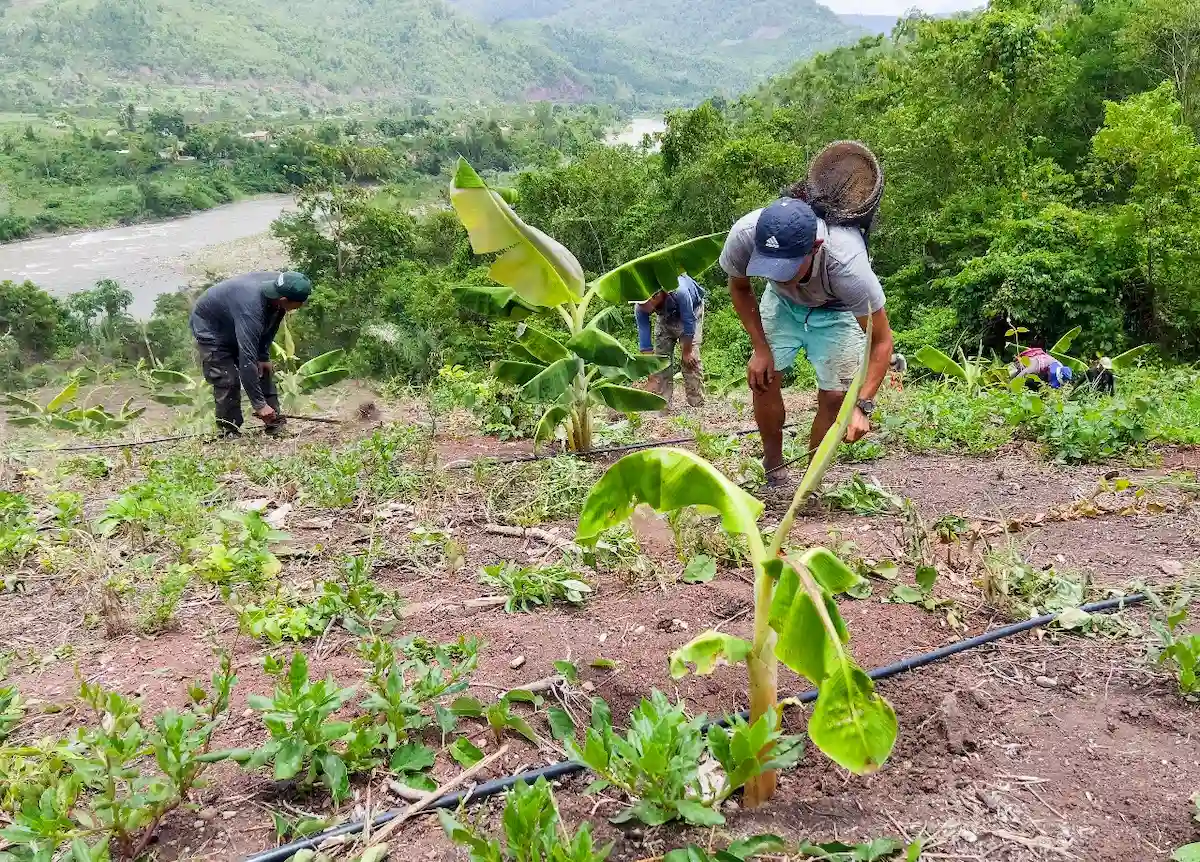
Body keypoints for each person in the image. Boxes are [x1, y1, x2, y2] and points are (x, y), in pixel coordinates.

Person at [720, 197, 894, 483]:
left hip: (836, 309)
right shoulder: (744, 236)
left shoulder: (847, 265)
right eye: (769, 265)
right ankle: (773, 464)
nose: (776, 274)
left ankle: (811, 479)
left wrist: (862, 406)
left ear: (814, 248)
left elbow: (882, 341)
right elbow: (739, 287)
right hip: (782, 304)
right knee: (763, 378)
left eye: (785, 267)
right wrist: (760, 348)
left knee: (836, 396)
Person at [189, 271, 313, 435]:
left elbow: (274, 320)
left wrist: (263, 355)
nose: (302, 305)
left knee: (264, 369)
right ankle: (229, 431)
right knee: (228, 379)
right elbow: (247, 360)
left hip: (235, 319)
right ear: (284, 299)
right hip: (212, 329)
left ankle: (274, 424)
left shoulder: (281, 289)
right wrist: (259, 404)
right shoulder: (251, 308)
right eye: (300, 303)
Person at [635, 273, 705, 409]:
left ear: (655, 296)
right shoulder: (640, 307)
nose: (640, 307)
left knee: (691, 360)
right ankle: (662, 407)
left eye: (643, 303)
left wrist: (686, 352)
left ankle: (697, 406)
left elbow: (689, 323)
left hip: (691, 312)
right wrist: (651, 376)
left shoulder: (680, 292)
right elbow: (645, 343)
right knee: (661, 362)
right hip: (665, 315)